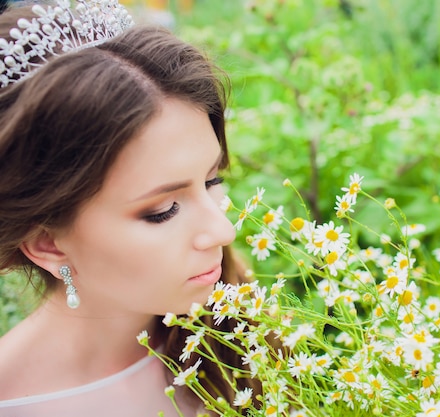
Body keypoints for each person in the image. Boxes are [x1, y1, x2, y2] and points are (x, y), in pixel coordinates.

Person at [0, 1, 259, 415]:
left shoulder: (236, 321)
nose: (223, 231)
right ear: (47, 242)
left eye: (211, 181)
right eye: (163, 210)